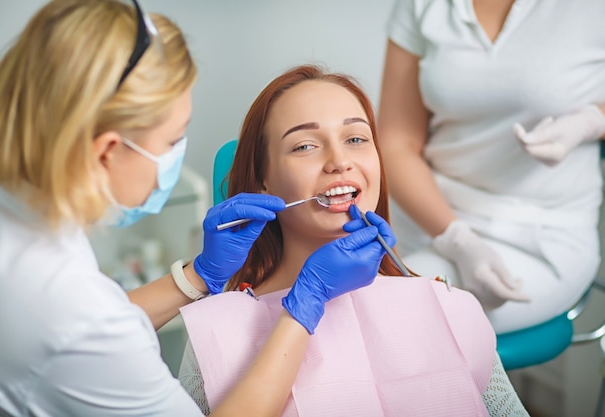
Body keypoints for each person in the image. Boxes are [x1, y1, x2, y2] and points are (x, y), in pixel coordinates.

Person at [0, 2, 386, 416]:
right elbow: (81, 331)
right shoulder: (76, 320)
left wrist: (200, 275)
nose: (339, 161)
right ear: (107, 153)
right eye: (172, 140)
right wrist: (306, 302)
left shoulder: (6, 211)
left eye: (356, 139)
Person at [178, 64, 529, 416]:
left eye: (356, 139)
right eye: (304, 146)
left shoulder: (452, 310)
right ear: (262, 180)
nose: (339, 161)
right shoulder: (216, 334)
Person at [376, 0, 605, 334]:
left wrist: (592, 121)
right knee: (348, 311)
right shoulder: (422, 5)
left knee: (393, 324)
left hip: (542, 236)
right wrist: (456, 238)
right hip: (427, 220)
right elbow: (396, 144)